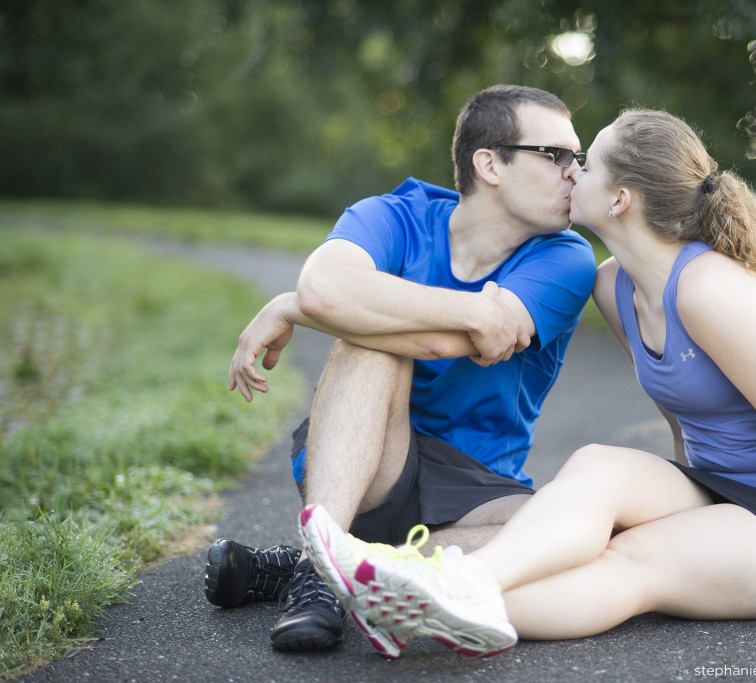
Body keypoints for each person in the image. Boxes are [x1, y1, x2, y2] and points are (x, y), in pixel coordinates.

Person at [297, 107, 756, 658]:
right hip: (724, 489)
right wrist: (676, 498)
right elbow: (681, 421)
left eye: (584, 164)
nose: (571, 173)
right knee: (599, 465)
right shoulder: (616, 288)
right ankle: (415, 592)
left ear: (620, 200)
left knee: (632, 559)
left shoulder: (711, 289)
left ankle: (446, 590)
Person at [202, 85, 596, 655]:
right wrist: (307, 301)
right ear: (489, 163)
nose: (574, 174)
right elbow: (324, 288)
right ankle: (319, 575)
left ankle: (319, 561)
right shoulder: (393, 215)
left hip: (473, 493)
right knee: (376, 345)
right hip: (365, 456)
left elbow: (445, 342)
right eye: (555, 155)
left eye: (577, 159)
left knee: (584, 531)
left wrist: (303, 309)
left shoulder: (565, 256)